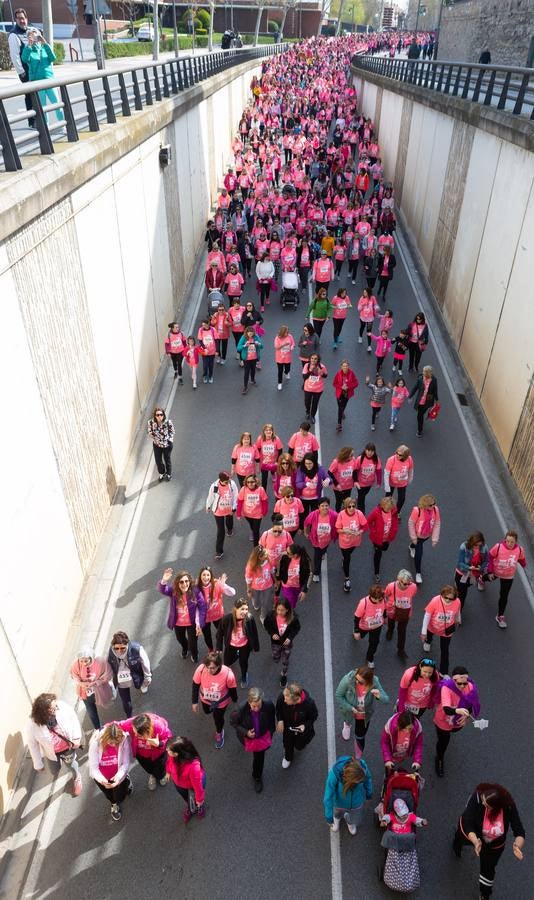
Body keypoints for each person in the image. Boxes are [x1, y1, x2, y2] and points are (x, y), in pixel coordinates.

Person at [453, 783, 525, 900]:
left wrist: (517, 846)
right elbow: (467, 822)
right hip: (474, 834)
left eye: (487, 805)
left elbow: (519, 831)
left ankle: (484, 895)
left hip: (494, 846)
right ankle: (457, 844)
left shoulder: (508, 806)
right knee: (460, 837)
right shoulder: (477, 797)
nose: (482, 804)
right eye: (483, 801)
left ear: (497, 808)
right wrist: (476, 841)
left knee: (488, 871)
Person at [27, 693, 82, 796]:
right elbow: (32, 744)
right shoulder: (32, 725)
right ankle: (60, 762)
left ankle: (77, 777)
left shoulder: (61, 706)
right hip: (51, 753)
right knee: (54, 770)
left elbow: (73, 718)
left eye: (55, 705)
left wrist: (76, 737)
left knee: (71, 764)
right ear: (44, 712)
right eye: (53, 708)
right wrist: (38, 763)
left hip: (67, 747)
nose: (57, 708)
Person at [433, 665, 481, 776]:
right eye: (459, 683)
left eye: (465, 683)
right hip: (443, 720)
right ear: (453, 680)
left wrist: (467, 715)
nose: (463, 686)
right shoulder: (446, 688)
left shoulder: (470, 687)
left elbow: (470, 704)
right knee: (443, 741)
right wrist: (458, 711)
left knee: (453, 732)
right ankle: (439, 759)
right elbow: (446, 709)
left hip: (457, 721)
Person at [231, 687, 276, 793]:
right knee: (256, 754)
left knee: (259, 758)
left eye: (259, 705)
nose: (257, 709)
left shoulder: (268, 705)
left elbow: (272, 717)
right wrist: (246, 732)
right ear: (249, 702)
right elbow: (233, 723)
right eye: (254, 706)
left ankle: (257, 777)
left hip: (263, 737)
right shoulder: (240, 710)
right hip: (248, 738)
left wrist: (271, 731)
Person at [336, 665, 389, 753]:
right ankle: (347, 725)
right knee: (347, 720)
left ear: (368, 681)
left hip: (364, 714)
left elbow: (386, 700)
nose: (356, 682)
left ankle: (358, 756)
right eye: (356, 678)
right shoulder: (348, 680)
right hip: (350, 710)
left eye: (360, 682)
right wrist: (350, 708)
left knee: (360, 737)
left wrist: (379, 695)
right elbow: (338, 695)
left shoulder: (374, 682)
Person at [157, 570, 207, 662]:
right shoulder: (174, 592)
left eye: (187, 581)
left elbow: (202, 607)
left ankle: (194, 654)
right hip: (178, 623)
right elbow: (162, 590)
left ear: (190, 582)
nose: (184, 584)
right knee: (180, 639)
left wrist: (200, 623)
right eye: (181, 582)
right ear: (177, 583)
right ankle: (185, 648)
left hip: (191, 623)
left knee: (193, 643)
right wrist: (164, 580)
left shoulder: (195, 591)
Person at [192, 651, 238, 749]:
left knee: (218, 718)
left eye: (212, 668)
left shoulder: (228, 674)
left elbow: (232, 689)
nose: (209, 670)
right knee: (207, 711)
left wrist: (235, 700)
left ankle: (219, 732)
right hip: (205, 700)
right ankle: (212, 712)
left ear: (219, 666)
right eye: (207, 667)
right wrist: (194, 702)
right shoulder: (201, 669)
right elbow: (195, 685)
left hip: (220, 703)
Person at [88, 723, 132, 820]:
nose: (114, 745)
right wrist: (102, 780)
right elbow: (93, 767)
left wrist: (118, 778)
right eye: (111, 742)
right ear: (105, 737)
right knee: (109, 794)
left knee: (120, 795)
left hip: (118, 774)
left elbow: (125, 763)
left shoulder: (123, 740)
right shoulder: (95, 744)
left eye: (116, 742)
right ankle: (114, 804)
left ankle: (126, 782)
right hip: (102, 777)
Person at [119, 712, 172, 790]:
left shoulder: (158, 727)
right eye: (134, 732)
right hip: (141, 755)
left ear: (148, 730)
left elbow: (169, 739)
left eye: (139, 735)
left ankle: (161, 776)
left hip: (158, 754)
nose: (135, 736)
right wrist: (102, 730)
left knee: (160, 768)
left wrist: (158, 744)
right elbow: (118, 725)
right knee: (148, 768)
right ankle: (153, 775)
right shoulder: (134, 724)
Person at [21, 29, 64, 124]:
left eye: (35, 35)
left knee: (57, 104)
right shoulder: (28, 49)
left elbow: (53, 58)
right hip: (37, 83)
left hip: (49, 80)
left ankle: (63, 125)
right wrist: (29, 45)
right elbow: (24, 59)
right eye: (31, 36)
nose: (34, 37)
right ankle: (46, 128)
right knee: (43, 107)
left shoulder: (44, 47)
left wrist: (44, 43)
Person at [216, 597, 260, 688]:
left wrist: (256, 646)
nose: (244, 611)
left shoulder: (249, 618)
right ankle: (227, 676)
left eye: (246, 609)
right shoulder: (227, 619)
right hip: (231, 646)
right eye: (242, 609)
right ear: (236, 608)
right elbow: (219, 633)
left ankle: (244, 675)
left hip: (244, 646)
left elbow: (254, 633)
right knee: (227, 662)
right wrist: (219, 646)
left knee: (243, 662)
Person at [323, 755, 373, 835]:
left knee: (354, 817)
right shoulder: (335, 774)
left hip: (356, 803)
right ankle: (336, 819)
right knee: (337, 813)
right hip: (339, 803)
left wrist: (369, 793)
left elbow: (368, 779)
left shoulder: (363, 768)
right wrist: (329, 816)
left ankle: (350, 823)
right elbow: (328, 796)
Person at [488, 529, 527, 628]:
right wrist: (490, 571)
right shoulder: (498, 547)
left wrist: (524, 565)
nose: (509, 543)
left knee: (504, 595)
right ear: (505, 539)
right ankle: (481, 579)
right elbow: (490, 556)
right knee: (487, 578)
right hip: (496, 572)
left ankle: (500, 615)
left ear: (516, 542)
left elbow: (522, 560)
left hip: (508, 576)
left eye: (512, 542)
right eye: (508, 541)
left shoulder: (519, 550)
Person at [108, 631, 152, 716]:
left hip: (136, 674)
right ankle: (129, 716)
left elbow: (145, 663)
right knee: (125, 700)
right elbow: (109, 663)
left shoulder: (136, 648)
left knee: (140, 684)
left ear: (127, 644)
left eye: (122, 648)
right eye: (116, 648)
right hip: (121, 679)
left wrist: (147, 676)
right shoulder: (111, 650)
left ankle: (143, 685)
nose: (119, 651)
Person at [70, 647, 114, 731]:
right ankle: (97, 728)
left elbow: (107, 674)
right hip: (85, 693)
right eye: (81, 661)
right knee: (91, 711)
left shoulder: (100, 662)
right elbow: (74, 676)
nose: (83, 663)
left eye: (86, 661)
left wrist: (96, 683)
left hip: (100, 689)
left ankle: (111, 688)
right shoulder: (76, 665)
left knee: (105, 700)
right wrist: (82, 684)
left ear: (91, 658)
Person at [275, 682, 318, 767]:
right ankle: (288, 757)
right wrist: (280, 720)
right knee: (287, 744)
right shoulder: (283, 696)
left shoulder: (309, 704)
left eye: (287, 700)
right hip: (288, 727)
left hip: (302, 731)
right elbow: (278, 709)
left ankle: (298, 746)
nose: (284, 700)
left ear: (297, 700)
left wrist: (305, 725)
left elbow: (314, 716)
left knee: (299, 746)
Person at [421, 584, 460, 674]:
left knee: (445, 650)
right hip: (432, 627)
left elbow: (457, 611)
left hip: (446, 630)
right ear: (442, 595)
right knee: (429, 635)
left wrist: (458, 618)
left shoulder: (457, 601)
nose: (447, 600)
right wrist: (423, 632)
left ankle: (444, 671)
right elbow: (427, 615)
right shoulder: (435, 601)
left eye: (451, 599)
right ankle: (428, 641)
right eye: (445, 597)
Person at [166, 736, 206, 824]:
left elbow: (197, 786)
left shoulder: (193, 766)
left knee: (197, 799)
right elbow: (169, 763)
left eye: (169, 751)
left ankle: (199, 806)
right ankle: (190, 805)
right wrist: (168, 772)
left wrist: (199, 799)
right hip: (180, 784)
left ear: (177, 753)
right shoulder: (173, 756)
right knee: (187, 798)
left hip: (193, 786)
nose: (167, 752)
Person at [263, 598, 301, 688]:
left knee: (285, 660)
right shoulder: (271, 616)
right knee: (276, 655)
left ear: (287, 610)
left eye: (282, 610)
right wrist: (272, 634)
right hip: (275, 642)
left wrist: (290, 638)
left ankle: (284, 674)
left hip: (287, 643)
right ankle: (276, 657)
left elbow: (297, 628)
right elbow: (266, 625)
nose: (280, 612)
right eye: (278, 609)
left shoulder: (293, 617)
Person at [197, 567, 236, 650]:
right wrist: (197, 623)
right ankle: (210, 649)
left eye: (208, 575)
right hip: (204, 618)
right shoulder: (197, 588)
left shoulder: (217, 584)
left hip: (217, 615)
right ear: (200, 576)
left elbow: (233, 593)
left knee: (223, 632)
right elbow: (195, 606)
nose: (206, 577)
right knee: (207, 635)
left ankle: (227, 646)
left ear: (211, 576)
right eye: (203, 575)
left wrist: (223, 584)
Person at [336, 497, 368, 592]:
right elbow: (337, 529)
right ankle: (347, 579)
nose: (351, 508)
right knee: (347, 558)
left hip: (355, 541)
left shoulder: (359, 514)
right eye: (349, 506)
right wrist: (344, 530)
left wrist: (360, 531)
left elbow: (365, 526)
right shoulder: (341, 514)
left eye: (353, 506)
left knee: (349, 554)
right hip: (344, 542)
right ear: (345, 507)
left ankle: (345, 560)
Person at [8, 9, 34, 128]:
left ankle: (39, 118)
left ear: (26, 18)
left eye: (23, 18)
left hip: (35, 69)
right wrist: (21, 72)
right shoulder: (14, 35)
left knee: (38, 94)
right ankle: (32, 121)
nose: (22, 21)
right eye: (19, 18)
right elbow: (15, 56)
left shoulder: (30, 31)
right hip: (26, 71)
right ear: (16, 20)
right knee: (29, 95)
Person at [408, 493, 441, 584]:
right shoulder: (417, 510)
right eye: (431, 505)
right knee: (419, 553)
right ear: (425, 504)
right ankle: (418, 573)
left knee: (419, 544)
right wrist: (414, 537)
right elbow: (411, 523)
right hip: (418, 536)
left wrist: (434, 539)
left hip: (427, 535)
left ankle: (411, 546)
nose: (433, 506)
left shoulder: (435, 510)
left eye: (434, 503)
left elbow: (437, 523)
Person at [206, 471, 239, 560]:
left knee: (229, 522)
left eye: (228, 481)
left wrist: (234, 508)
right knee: (220, 531)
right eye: (225, 482)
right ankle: (219, 551)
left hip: (229, 509)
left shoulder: (232, 484)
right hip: (218, 511)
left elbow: (236, 496)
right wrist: (208, 506)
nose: (227, 483)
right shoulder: (214, 486)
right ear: (220, 480)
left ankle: (230, 529)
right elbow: (210, 496)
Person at [384, 570, 417, 659]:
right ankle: (390, 631)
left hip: (405, 612)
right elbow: (385, 595)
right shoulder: (391, 586)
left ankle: (401, 650)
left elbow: (412, 595)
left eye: (408, 583)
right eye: (405, 583)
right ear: (399, 580)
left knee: (402, 630)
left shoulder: (413, 587)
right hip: (392, 610)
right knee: (391, 623)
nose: (407, 585)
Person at [304, 496, 338, 583]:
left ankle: (323, 552)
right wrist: (305, 532)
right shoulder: (314, 514)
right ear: (319, 507)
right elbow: (306, 523)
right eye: (322, 506)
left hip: (327, 540)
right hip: (316, 541)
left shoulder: (333, 515)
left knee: (324, 550)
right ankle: (316, 573)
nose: (324, 508)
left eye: (326, 505)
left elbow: (340, 522)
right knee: (317, 557)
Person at [367, 496, 399, 583]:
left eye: (391, 508)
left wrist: (394, 532)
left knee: (384, 548)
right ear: (383, 506)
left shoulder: (394, 512)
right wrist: (374, 531)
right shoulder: (376, 512)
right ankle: (376, 573)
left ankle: (379, 548)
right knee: (378, 554)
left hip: (387, 538)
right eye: (388, 508)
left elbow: (395, 523)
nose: (389, 510)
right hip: (377, 538)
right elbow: (368, 521)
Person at [454, 532, 489, 610]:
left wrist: (481, 567)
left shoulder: (484, 547)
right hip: (463, 572)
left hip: (474, 574)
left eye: (479, 545)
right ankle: (458, 613)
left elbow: (486, 560)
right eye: (475, 545)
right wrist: (469, 567)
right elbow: (460, 562)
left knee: (467, 586)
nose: (477, 547)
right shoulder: (464, 547)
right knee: (462, 595)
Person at [245, 545, 275, 623]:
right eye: (264, 555)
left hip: (268, 586)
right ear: (259, 557)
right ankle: (256, 605)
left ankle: (263, 616)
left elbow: (272, 571)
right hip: (255, 587)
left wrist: (276, 581)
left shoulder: (269, 561)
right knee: (255, 601)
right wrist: (248, 589)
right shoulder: (251, 566)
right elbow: (248, 578)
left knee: (266, 603)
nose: (266, 556)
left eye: (266, 553)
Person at [276, 543, 311, 609]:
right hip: (287, 584)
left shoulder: (305, 560)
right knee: (290, 601)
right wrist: (278, 579)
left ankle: (291, 609)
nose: (286, 553)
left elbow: (309, 574)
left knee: (294, 600)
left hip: (298, 585)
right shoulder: (285, 557)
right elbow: (279, 568)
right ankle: (289, 613)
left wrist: (304, 590)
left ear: (295, 555)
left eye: (288, 553)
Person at [236, 473, 269, 545]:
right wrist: (238, 513)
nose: (250, 484)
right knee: (252, 526)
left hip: (258, 514)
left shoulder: (261, 489)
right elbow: (240, 501)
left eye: (252, 482)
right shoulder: (243, 489)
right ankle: (253, 530)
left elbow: (264, 501)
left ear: (256, 482)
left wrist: (264, 512)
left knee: (256, 530)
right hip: (247, 514)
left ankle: (256, 547)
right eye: (248, 482)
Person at [383, 445, 414, 516]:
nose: (397, 455)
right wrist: (387, 486)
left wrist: (410, 479)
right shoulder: (391, 460)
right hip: (391, 482)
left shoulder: (409, 459)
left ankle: (397, 511)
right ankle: (385, 509)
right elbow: (386, 473)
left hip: (402, 483)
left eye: (400, 455)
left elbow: (411, 470)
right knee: (388, 498)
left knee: (402, 498)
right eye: (396, 453)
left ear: (405, 455)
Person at [409, 365, 439, 437]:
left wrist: (436, 400)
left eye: (424, 371)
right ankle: (420, 427)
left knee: (420, 414)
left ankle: (420, 428)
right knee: (420, 414)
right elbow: (415, 388)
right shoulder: (420, 379)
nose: (422, 372)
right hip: (420, 400)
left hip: (428, 400)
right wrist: (410, 396)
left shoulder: (434, 380)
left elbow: (435, 390)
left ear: (428, 373)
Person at [147, 407, 174, 482]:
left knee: (167, 459)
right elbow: (149, 432)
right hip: (157, 445)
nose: (159, 416)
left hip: (167, 445)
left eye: (161, 414)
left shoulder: (168, 422)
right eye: (157, 415)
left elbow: (172, 432)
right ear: (155, 416)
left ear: (164, 415)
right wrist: (157, 437)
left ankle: (169, 474)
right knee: (158, 460)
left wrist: (168, 440)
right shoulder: (151, 423)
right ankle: (162, 473)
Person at [354, 443, 382, 514]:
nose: (370, 453)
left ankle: (358, 497)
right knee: (361, 499)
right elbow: (355, 470)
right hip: (360, 483)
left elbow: (379, 471)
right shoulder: (360, 459)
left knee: (365, 493)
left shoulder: (376, 459)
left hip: (369, 483)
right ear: (365, 450)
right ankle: (361, 514)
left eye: (372, 451)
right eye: (368, 450)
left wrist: (379, 482)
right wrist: (356, 481)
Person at [254, 424, 283, 490]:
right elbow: (257, 449)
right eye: (266, 430)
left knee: (273, 470)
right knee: (264, 478)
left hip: (273, 462)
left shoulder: (276, 439)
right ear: (264, 431)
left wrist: (277, 461)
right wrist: (258, 461)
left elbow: (280, 450)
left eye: (270, 430)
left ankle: (273, 474)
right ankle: (264, 491)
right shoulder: (260, 438)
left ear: (272, 431)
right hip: (264, 463)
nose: (268, 432)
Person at [332, 360, 358, 432]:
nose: (345, 367)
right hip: (339, 393)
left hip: (347, 393)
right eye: (343, 366)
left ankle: (340, 421)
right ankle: (340, 419)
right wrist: (341, 387)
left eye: (346, 366)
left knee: (342, 406)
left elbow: (356, 383)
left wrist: (348, 387)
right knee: (340, 407)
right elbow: (334, 383)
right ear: (341, 367)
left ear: (348, 366)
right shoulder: (338, 374)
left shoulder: (351, 373)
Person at [237, 326, 264, 394]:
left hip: (254, 358)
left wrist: (259, 344)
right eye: (249, 334)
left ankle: (252, 380)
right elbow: (238, 348)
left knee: (253, 370)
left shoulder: (256, 337)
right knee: (246, 372)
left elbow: (262, 346)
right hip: (246, 359)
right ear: (247, 333)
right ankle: (245, 386)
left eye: (252, 334)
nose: (251, 335)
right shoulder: (243, 337)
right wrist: (244, 345)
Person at [302, 353, 328, 423]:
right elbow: (304, 377)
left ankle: (312, 416)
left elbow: (326, 376)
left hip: (318, 389)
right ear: (310, 359)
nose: (313, 360)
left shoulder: (322, 367)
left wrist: (321, 373)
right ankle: (307, 411)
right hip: (308, 388)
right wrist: (310, 371)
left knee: (315, 403)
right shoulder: (307, 366)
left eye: (315, 359)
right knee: (307, 402)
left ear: (318, 360)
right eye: (312, 358)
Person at [274, 325, 295, 389]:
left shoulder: (290, 336)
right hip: (280, 357)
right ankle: (279, 383)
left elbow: (293, 343)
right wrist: (284, 344)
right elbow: (276, 347)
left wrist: (292, 347)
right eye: (286, 332)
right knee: (280, 371)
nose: (287, 333)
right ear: (282, 332)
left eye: (288, 332)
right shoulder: (277, 338)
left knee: (288, 368)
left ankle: (286, 372)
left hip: (288, 356)